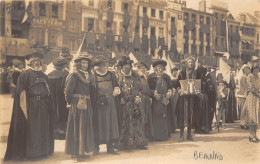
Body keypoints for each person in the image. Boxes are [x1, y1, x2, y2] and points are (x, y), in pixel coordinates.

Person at [4, 52, 53, 161]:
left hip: (43, 106)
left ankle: (42, 151)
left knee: (42, 128)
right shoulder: (25, 75)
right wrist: (24, 109)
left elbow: (49, 91)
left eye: (38, 61)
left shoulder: (44, 75)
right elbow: (21, 93)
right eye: (33, 61)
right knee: (33, 130)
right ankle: (32, 153)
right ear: (30, 63)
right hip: (31, 106)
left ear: (41, 62)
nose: (36, 63)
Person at [64, 53, 95, 161]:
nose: (85, 64)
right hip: (76, 104)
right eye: (83, 62)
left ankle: (82, 152)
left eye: (86, 63)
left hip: (87, 103)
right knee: (77, 127)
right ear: (78, 63)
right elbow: (68, 91)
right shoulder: (74, 75)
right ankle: (77, 154)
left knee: (84, 127)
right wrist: (70, 102)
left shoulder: (89, 75)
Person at [116, 56, 148, 150]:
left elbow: (141, 88)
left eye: (128, 65)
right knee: (123, 122)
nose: (127, 67)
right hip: (123, 103)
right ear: (121, 66)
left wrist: (139, 96)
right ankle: (122, 143)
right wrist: (119, 98)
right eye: (125, 65)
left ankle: (139, 142)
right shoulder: (117, 76)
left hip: (135, 103)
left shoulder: (135, 75)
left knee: (137, 121)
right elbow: (115, 88)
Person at [92, 55, 120, 155]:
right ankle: (96, 147)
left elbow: (116, 85)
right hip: (99, 103)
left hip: (111, 102)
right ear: (98, 65)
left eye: (106, 64)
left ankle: (110, 147)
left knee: (111, 124)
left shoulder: (112, 75)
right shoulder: (93, 75)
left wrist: (117, 89)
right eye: (103, 64)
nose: (105, 66)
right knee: (98, 124)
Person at [176, 56, 201, 142]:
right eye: (189, 62)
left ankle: (189, 134)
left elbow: (200, 83)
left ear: (194, 63)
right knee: (183, 115)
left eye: (192, 62)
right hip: (184, 98)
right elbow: (177, 85)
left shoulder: (197, 73)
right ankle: (181, 135)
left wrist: (198, 90)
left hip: (193, 98)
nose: (191, 63)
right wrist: (180, 91)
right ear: (186, 63)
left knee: (191, 115)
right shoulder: (182, 73)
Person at [148, 60, 172, 141]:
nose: (160, 69)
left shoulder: (167, 77)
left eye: (162, 67)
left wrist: (169, 92)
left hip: (165, 100)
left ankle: (164, 135)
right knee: (156, 117)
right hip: (155, 101)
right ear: (155, 68)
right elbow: (147, 89)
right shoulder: (150, 77)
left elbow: (170, 87)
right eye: (158, 67)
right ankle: (155, 136)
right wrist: (153, 93)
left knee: (164, 117)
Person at [47, 56, 69, 139]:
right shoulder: (66, 75)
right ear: (64, 66)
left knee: (53, 112)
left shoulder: (49, 75)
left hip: (51, 98)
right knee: (62, 113)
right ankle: (62, 132)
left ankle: (54, 131)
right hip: (62, 98)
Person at [135, 61, 154, 140]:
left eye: (144, 68)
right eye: (141, 68)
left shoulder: (145, 77)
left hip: (146, 99)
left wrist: (149, 97)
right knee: (141, 118)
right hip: (140, 99)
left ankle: (146, 135)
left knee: (147, 117)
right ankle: (140, 137)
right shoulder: (137, 78)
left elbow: (147, 88)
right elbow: (136, 89)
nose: (142, 69)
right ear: (138, 69)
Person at [241, 66, 260, 143]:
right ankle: (251, 135)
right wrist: (258, 95)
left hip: (257, 98)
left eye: (258, 70)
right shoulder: (250, 76)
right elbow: (251, 88)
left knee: (256, 117)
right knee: (252, 117)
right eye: (255, 70)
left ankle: (254, 135)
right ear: (252, 70)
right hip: (252, 98)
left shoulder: (258, 77)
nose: (256, 71)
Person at [237, 65, 251, 129]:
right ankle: (242, 123)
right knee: (243, 110)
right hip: (243, 95)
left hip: (246, 95)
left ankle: (245, 122)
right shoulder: (243, 77)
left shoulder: (247, 77)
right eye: (247, 69)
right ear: (245, 71)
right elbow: (245, 87)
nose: (249, 71)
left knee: (246, 110)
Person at [170, 66, 179, 133]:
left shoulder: (178, 78)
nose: (175, 72)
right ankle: (173, 126)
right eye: (174, 71)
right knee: (172, 108)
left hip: (177, 94)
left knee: (177, 108)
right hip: (172, 94)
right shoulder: (170, 78)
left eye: (176, 71)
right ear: (172, 72)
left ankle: (177, 125)